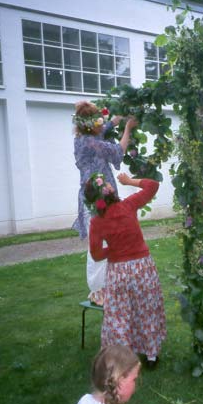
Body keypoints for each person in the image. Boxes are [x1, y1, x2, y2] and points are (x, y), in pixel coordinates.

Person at [87, 172, 166, 368]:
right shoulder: (128, 205)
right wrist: (129, 181)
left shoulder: (96, 222)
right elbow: (153, 185)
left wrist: (112, 249)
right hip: (142, 268)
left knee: (119, 315)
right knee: (147, 309)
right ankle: (151, 356)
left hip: (118, 272)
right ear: (108, 191)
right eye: (108, 183)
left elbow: (96, 255)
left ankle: (123, 360)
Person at [72, 101, 137, 305]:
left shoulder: (83, 138)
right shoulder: (91, 142)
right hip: (98, 198)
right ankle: (98, 291)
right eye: (100, 119)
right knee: (100, 243)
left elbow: (98, 135)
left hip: (94, 195)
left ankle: (104, 288)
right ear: (93, 123)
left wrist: (113, 123)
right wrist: (127, 128)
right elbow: (118, 151)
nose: (103, 122)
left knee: (101, 240)